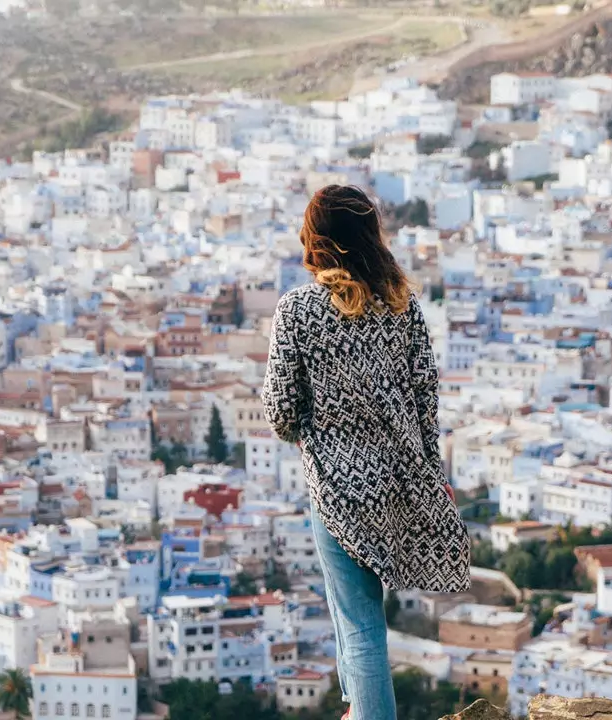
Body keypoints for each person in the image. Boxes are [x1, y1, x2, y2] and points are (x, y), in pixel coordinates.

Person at [262, 185, 470, 719]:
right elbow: (426, 400)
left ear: (319, 240)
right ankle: (358, 709)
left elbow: (281, 413)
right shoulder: (403, 306)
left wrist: (319, 425)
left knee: (358, 622)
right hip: (399, 484)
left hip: (338, 486)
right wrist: (426, 474)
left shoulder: (299, 310)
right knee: (350, 612)